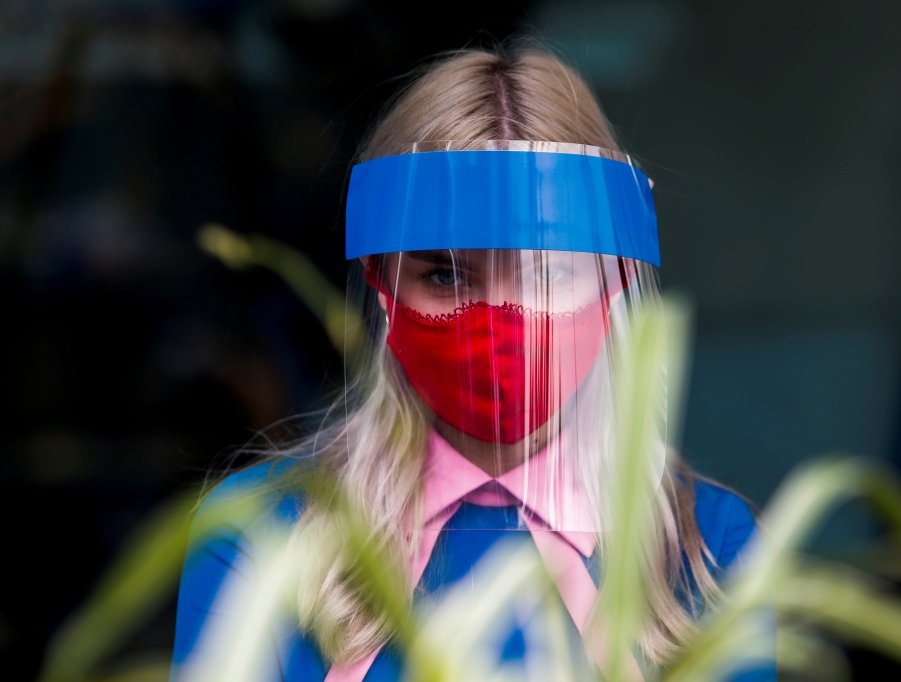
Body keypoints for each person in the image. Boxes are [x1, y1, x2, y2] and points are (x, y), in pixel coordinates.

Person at [170, 48, 769, 682]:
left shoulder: (707, 545)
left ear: (612, 287)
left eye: (546, 272)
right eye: (447, 275)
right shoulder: (262, 534)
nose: (499, 319)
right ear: (382, 286)